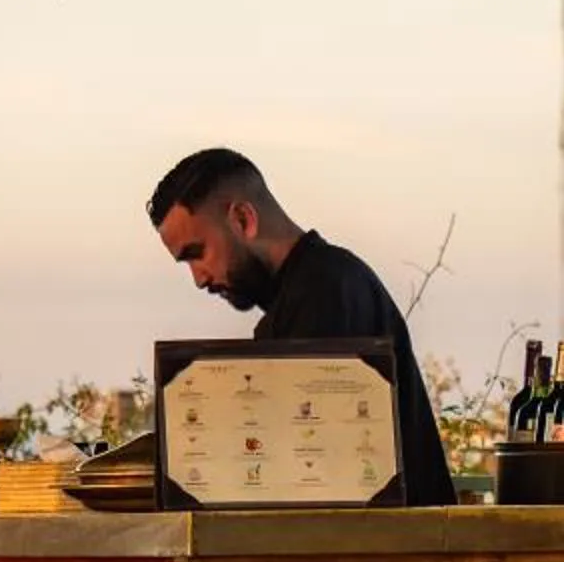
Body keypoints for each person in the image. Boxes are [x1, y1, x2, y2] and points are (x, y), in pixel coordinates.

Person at [146, 146, 456, 507]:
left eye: (196, 253)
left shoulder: (326, 292)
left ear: (243, 219)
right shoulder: (314, 290)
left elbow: (312, 482)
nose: (198, 279)